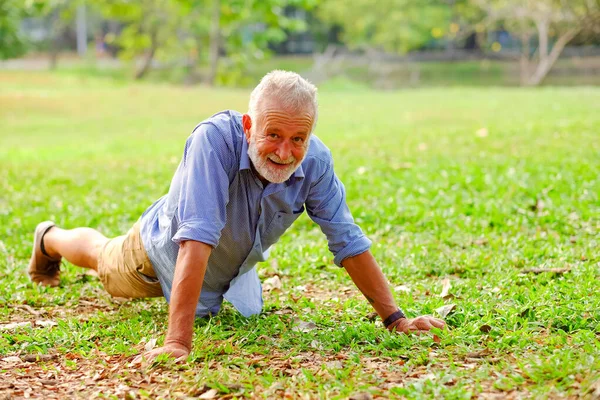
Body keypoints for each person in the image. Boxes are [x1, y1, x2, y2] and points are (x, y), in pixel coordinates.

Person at [28, 70, 445, 362]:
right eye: (273, 135)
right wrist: (178, 341)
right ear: (249, 125)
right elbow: (197, 239)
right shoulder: (213, 140)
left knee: (242, 312)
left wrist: (396, 320)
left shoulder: (315, 162)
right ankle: (48, 238)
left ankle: (204, 295)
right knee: (103, 256)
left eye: (298, 138)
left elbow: (347, 240)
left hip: (229, 268)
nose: (285, 152)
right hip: (157, 255)